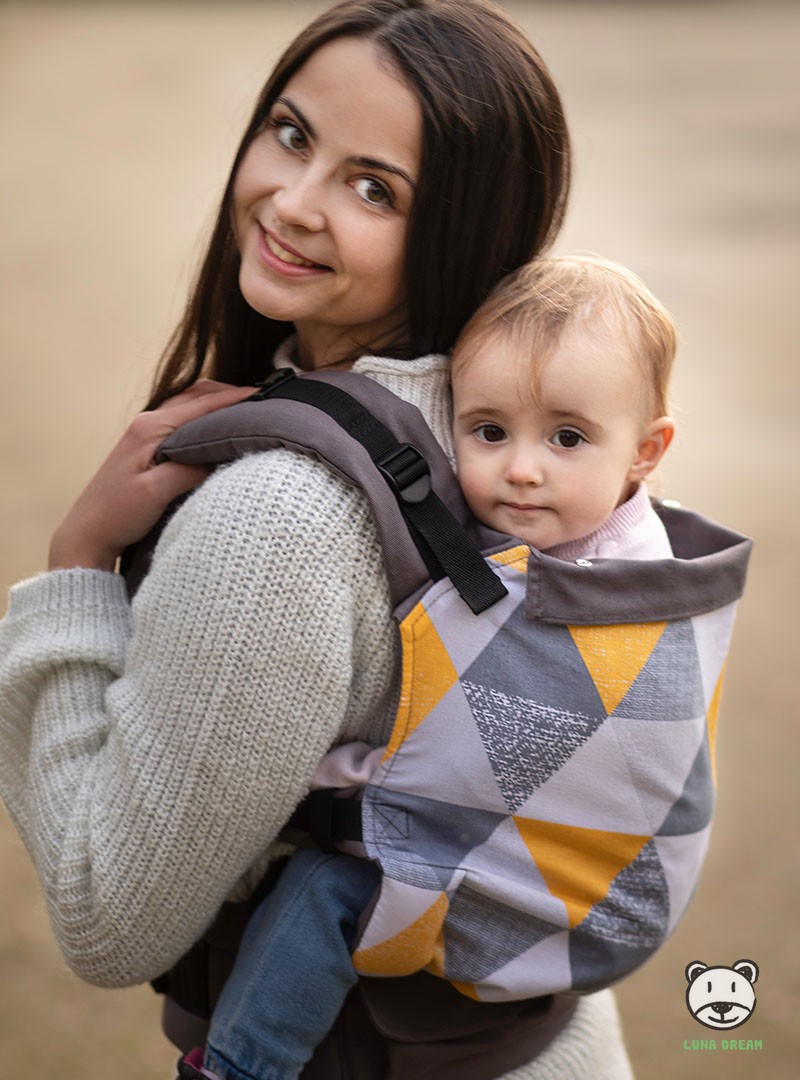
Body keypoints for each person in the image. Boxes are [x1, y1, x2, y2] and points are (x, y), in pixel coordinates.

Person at [0, 2, 638, 1077]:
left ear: (460, 233)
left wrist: (72, 570)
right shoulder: (525, 437)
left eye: (373, 187)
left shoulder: (280, 520)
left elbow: (106, 918)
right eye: (292, 136)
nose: (291, 204)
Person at [177, 254, 677, 1080]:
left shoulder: (602, 598)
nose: (522, 467)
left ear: (646, 451)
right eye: (489, 431)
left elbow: (464, 743)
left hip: (520, 880)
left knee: (322, 895)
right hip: (532, 885)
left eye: (566, 437)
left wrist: (334, 769)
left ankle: (238, 1064)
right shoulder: (598, 530)